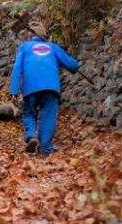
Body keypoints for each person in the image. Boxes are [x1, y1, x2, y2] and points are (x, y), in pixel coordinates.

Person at [9, 21, 79, 156]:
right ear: (45, 35)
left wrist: (14, 91)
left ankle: (32, 136)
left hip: (31, 87)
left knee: (29, 114)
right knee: (48, 116)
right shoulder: (53, 47)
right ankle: (45, 149)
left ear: (30, 36)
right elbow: (72, 66)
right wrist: (74, 66)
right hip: (51, 87)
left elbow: (17, 69)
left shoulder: (24, 47)